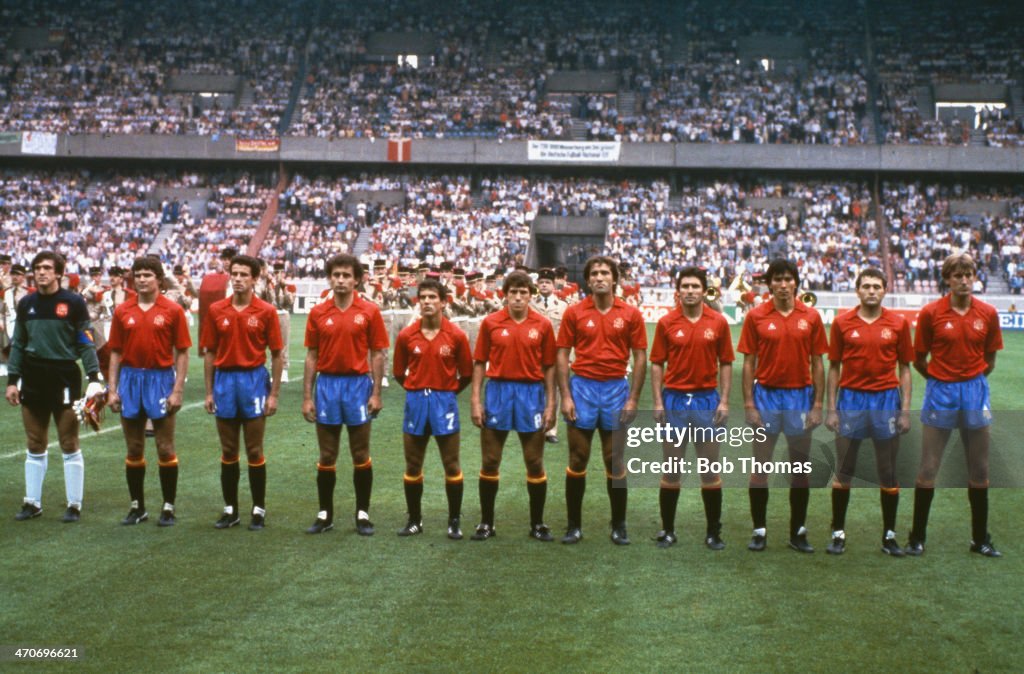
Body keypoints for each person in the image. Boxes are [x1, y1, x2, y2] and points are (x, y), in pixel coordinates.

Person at [907, 254, 1003, 557]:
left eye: (968, 274)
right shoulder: (930, 313)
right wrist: (941, 379)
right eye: (957, 275)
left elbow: (990, 360)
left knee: (980, 469)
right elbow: (919, 359)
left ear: (975, 277)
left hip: (975, 391)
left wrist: (969, 381)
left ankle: (980, 540)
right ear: (947, 279)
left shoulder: (987, 313)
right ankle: (917, 538)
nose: (963, 280)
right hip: (941, 392)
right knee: (928, 467)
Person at [556, 255, 647, 545]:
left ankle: (619, 525)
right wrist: (566, 395)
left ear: (614, 278)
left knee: (614, 460)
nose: (599, 277)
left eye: (605, 273)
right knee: (578, 458)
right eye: (594, 273)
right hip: (581, 387)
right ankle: (573, 526)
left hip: (615, 389)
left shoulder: (630, 314)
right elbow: (561, 354)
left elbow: (640, 357)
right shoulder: (575, 312)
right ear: (587, 279)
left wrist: (633, 399)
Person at [737, 259, 827, 553]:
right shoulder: (756, 316)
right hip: (766, 396)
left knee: (799, 468)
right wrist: (749, 404)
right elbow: (749, 362)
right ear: (769, 283)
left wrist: (817, 404)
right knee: (760, 466)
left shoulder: (811, 317)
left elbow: (818, 362)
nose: (784, 284)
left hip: (800, 397)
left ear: (796, 283)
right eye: (778, 279)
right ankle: (758, 530)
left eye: (789, 279)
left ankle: (797, 532)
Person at [7, 251, 103, 522]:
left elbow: (86, 341)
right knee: (35, 441)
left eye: (47, 268)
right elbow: (19, 344)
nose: (41, 272)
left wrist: (94, 377)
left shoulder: (74, 303)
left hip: (64, 375)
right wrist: (13, 381)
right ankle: (32, 503)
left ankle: (74, 504)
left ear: (59, 273)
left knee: (68, 441)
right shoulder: (26, 304)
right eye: (37, 268)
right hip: (33, 375)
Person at [824, 268, 913, 556]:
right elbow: (834, 367)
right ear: (857, 290)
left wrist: (906, 411)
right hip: (851, 400)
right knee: (845, 468)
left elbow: (905, 368)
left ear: (885, 290)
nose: (871, 290)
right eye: (866, 286)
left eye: (877, 286)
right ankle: (838, 533)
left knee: (887, 471)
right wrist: (832, 408)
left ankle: (889, 536)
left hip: (886, 400)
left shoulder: (898, 323)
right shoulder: (842, 323)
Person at [302, 254, 388, 535]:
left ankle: (362, 514)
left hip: (357, 386)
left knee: (360, 452)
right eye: (336, 275)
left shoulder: (369, 311)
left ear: (356, 279)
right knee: (327, 454)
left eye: (346, 276)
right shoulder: (318, 313)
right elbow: (311, 356)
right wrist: (307, 396)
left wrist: (376, 392)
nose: (340, 280)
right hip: (327, 386)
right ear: (330, 278)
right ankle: (324, 514)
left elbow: (377, 353)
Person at [650, 266, 734, 550]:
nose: (690, 291)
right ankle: (668, 530)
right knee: (672, 468)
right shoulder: (666, 322)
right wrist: (658, 402)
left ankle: (713, 532)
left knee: (709, 468)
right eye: (685, 286)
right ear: (678, 291)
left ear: (703, 290)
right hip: (674, 399)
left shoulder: (718, 322)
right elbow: (657, 363)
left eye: (695, 286)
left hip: (706, 400)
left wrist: (724, 400)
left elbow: (725, 362)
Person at [469, 270, 557, 541]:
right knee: (491, 460)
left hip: (531, 394)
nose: (518, 297)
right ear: (505, 295)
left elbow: (550, 367)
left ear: (530, 295)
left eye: (523, 293)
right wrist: (475, 400)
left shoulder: (542, 325)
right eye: (513, 293)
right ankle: (486, 523)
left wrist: (550, 403)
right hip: (498, 393)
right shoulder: (491, 322)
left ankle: (537, 523)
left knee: (534, 461)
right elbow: (480, 362)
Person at [200, 254, 284, 531]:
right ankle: (230, 509)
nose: (237, 279)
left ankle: (258, 509)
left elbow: (277, 354)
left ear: (255, 278)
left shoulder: (266, 311)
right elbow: (210, 352)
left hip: (253, 381)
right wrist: (209, 391)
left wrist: (273, 394)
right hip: (225, 381)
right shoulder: (216, 310)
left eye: (244, 275)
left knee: (254, 448)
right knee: (228, 449)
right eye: (234, 274)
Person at [106, 257, 191, 526]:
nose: (141, 279)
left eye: (147, 275)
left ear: (159, 279)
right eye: (138, 275)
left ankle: (168, 507)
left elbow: (182, 352)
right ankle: (137, 507)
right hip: (130, 380)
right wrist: (112, 389)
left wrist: (177, 390)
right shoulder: (122, 310)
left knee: (165, 447)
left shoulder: (172, 310)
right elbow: (116, 352)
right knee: (134, 447)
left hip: (160, 379)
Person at [392, 278, 473, 539]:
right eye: (423, 297)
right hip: (416, 400)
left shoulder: (456, 335)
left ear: (443, 302)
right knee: (413, 463)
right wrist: (417, 389)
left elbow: (467, 374)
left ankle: (454, 521)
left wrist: (447, 392)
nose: (427, 301)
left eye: (432, 297)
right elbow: (397, 373)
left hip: (444, 401)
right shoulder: (407, 335)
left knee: (451, 463)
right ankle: (414, 520)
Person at [532, 268, 569, 444]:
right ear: (538, 285)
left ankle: (551, 430)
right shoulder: (531, 304)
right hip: (534, 354)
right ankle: (536, 424)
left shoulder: (563, 306)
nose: (544, 285)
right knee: (534, 389)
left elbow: (568, 334)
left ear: (554, 286)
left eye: (548, 282)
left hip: (555, 355)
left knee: (554, 390)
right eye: (542, 282)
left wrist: (569, 357)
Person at [262, 261, 295, 382]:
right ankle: (273, 371)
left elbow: (289, 302)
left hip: (283, 314)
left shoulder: (290, 285)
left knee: (284, 343)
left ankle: (284, 371)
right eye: (276, 272)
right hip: (270, 314)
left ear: (284, 273)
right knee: (272, 344)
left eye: (280, 272)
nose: (278, 274)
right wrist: (269, 284)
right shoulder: (268, 284)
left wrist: (283, 288)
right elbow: (265, 299)